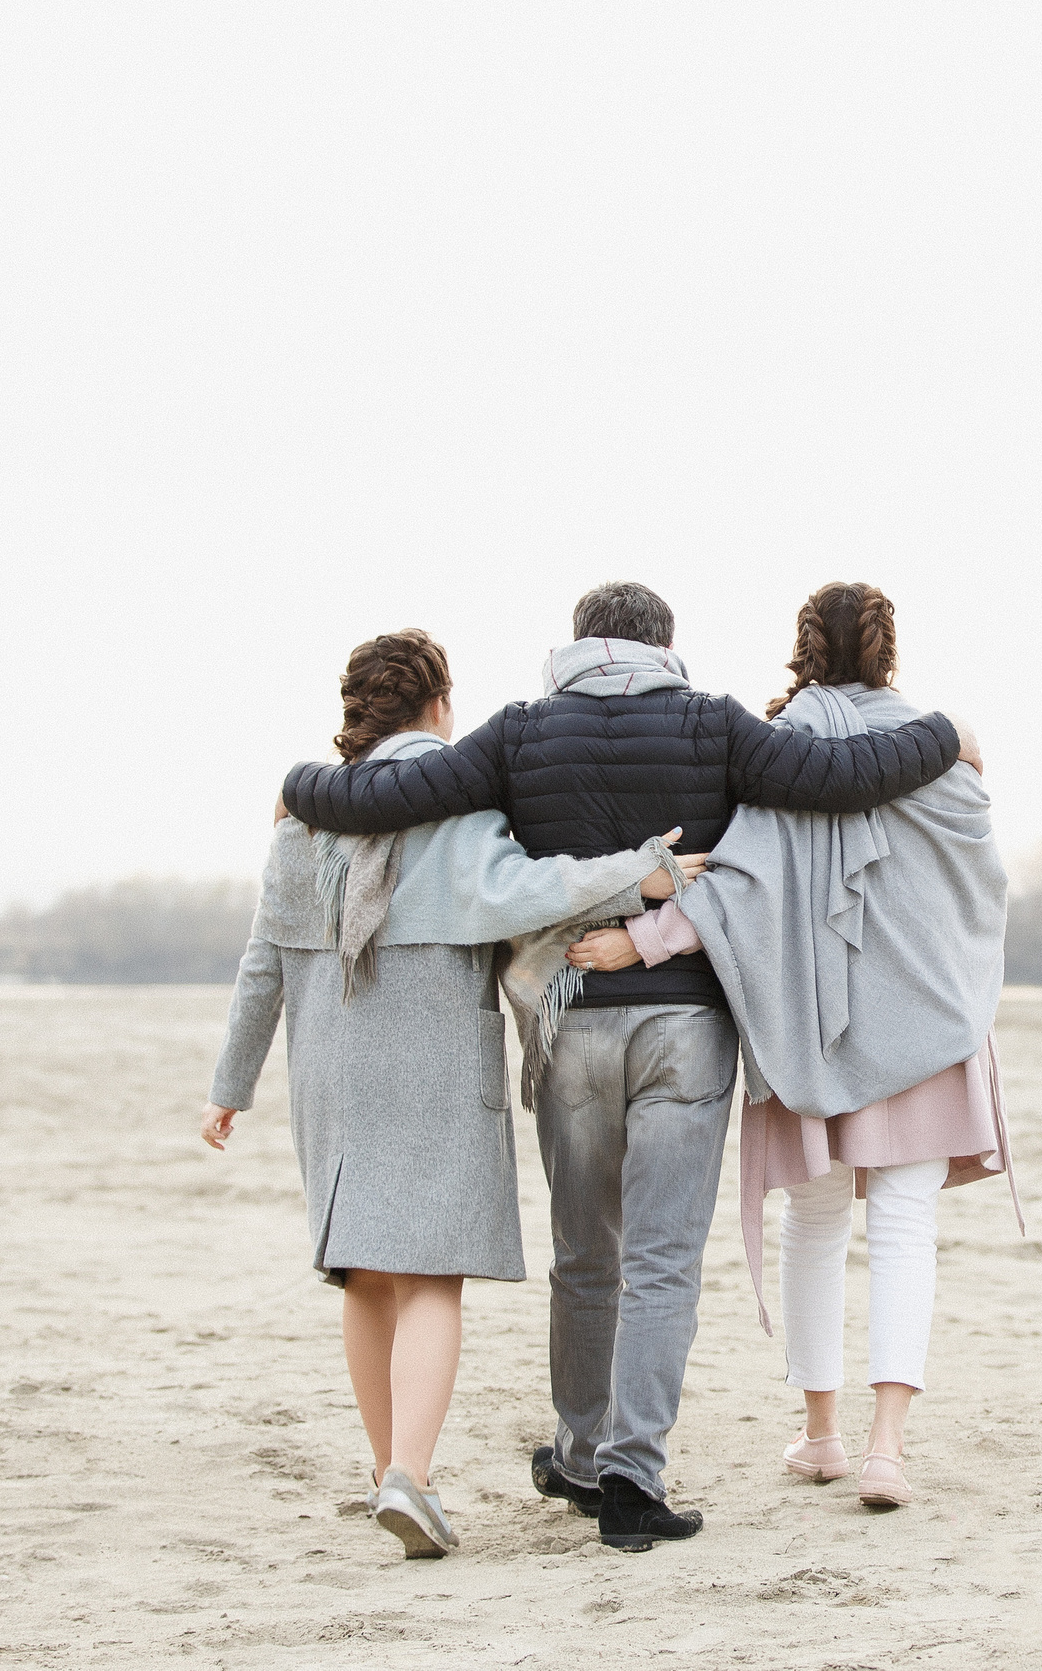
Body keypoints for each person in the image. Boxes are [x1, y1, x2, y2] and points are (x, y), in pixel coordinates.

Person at [280, 583, 977, 1552]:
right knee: (661, 1259)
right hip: (686, 1025)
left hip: (570, 1020)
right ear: (664, 646)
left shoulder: (519, 733)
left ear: (577, 645)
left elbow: (390, 795)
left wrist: (299, 783)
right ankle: (631, 1478)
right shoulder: (712, 725)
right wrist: (945, 734)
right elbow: (841, 776)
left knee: (584, 1253)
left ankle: (576, 1453)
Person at [201, 629, 705, 1560]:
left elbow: (262, 963)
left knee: (362, 1273)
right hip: (432, 1066)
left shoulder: (302, 820)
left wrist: (230, 1086)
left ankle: (392, 1474)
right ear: (439, 706)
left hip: (331, 1073)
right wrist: (639, 872)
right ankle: (408, 1474)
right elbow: (532, 893)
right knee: (429, 1276)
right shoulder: (456, 816)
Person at [568, 582, 1014, 1510]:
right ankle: (887, 1450)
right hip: (925, 1025)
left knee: (814, 1224)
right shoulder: (943, 753)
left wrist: (637, 942)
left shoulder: (780, 753)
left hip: (808, 1029)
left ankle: (823, 1435)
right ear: (888, 650)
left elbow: (735, 888)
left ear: (803, 648)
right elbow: (980, 889)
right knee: (906, 1227)